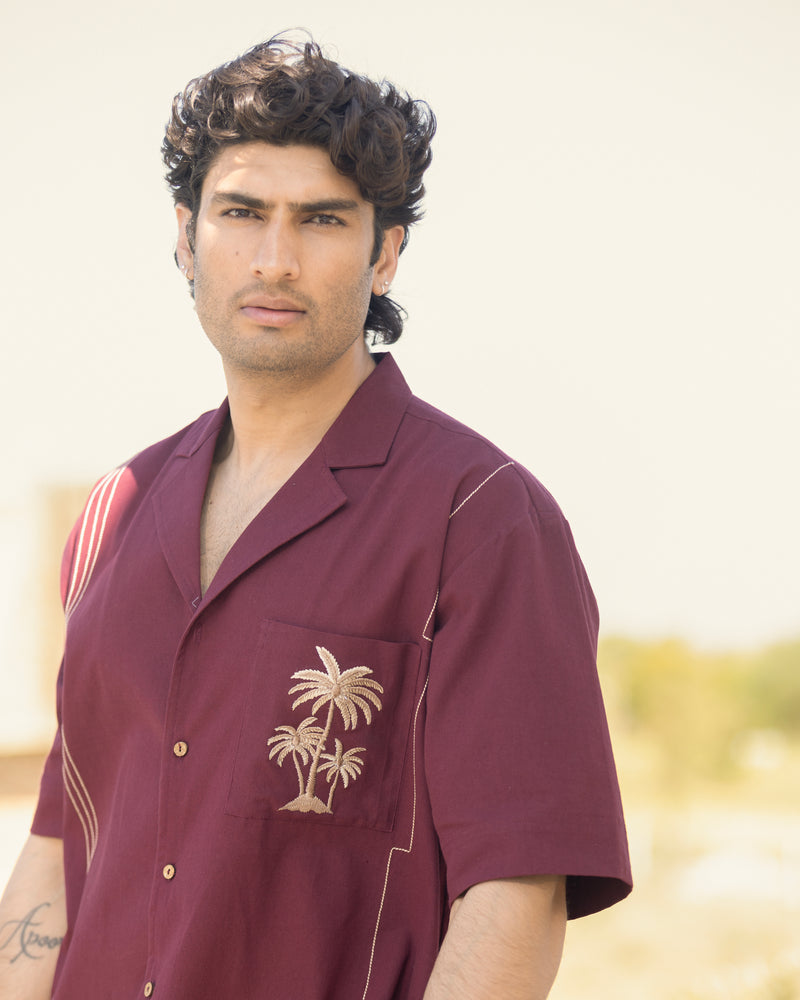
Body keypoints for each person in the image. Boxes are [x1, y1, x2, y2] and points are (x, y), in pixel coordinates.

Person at [0, 34, 631, 1000]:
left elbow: (516, 894)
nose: (276, 258)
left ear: (385, 254)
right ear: (185, 236)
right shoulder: (112, 514)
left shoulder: (482, 518)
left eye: (323, 221)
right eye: (241, 213)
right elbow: (60, 843)